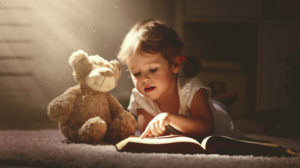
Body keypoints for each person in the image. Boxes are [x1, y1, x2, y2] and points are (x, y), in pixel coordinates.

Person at [117, 19, 240, 139]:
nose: (144, 79)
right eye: (137, 73)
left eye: (153, 70)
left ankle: (223, 101)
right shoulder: (141, 98)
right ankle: (218, 99)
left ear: (175, 64)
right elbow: (148, 134)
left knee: (220, 107)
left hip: (219, 117)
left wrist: (170, 118)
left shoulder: (191, 89)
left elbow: (207, 127)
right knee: (214, 102)